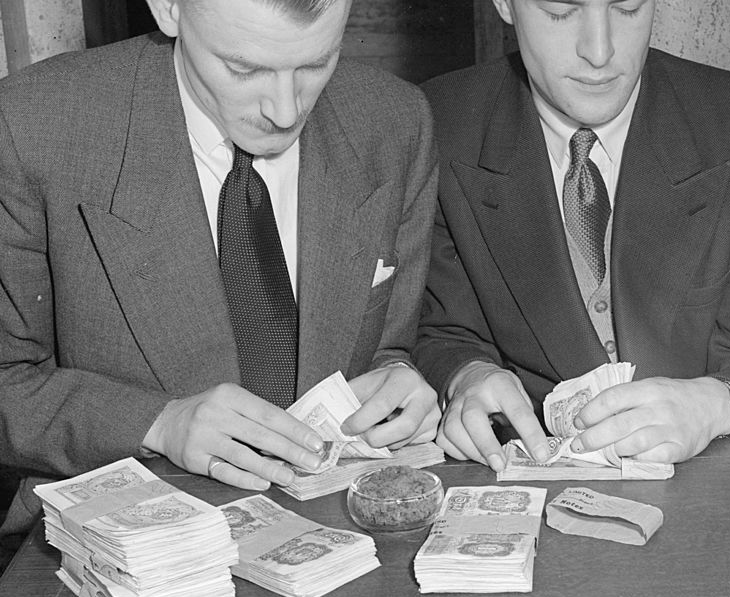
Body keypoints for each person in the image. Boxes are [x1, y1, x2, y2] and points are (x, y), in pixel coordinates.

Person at [0, 0, 440, 539]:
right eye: (243, 69)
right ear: (168, 8)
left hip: (339, 530)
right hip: (123, 540)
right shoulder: (31, 125)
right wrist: (159, 423)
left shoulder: (396, 120)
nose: (285, 111)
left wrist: (399, 388)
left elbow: (387, 348)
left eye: (316, 63)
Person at [414, 0, 730, 472]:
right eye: (561, 11)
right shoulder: (435, 125)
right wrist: (465, 374)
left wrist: (719, 402)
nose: (600, 51)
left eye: (627, 8)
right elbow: (440, 331)